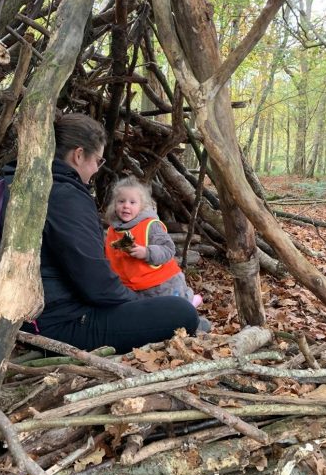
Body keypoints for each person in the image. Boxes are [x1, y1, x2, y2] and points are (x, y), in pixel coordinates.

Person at [15, 113, 207, 353]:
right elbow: (97, 285)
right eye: (98, 160)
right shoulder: (66, 197)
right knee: (183, 313)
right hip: (59, 323)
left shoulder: (17, 182)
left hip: (26, 314)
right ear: (78, 155)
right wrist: (140, 304)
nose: (97, 169)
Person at [105, 176, 203, 307]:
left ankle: (190, 304)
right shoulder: (112, 230)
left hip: (162, 284)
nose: (126, 206)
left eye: (132, 202)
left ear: (142, 206)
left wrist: (147, 252)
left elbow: (168, 249)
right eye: (121, 201)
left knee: (175, 309)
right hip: (133, 289)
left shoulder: (150, 225)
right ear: (114, 204)